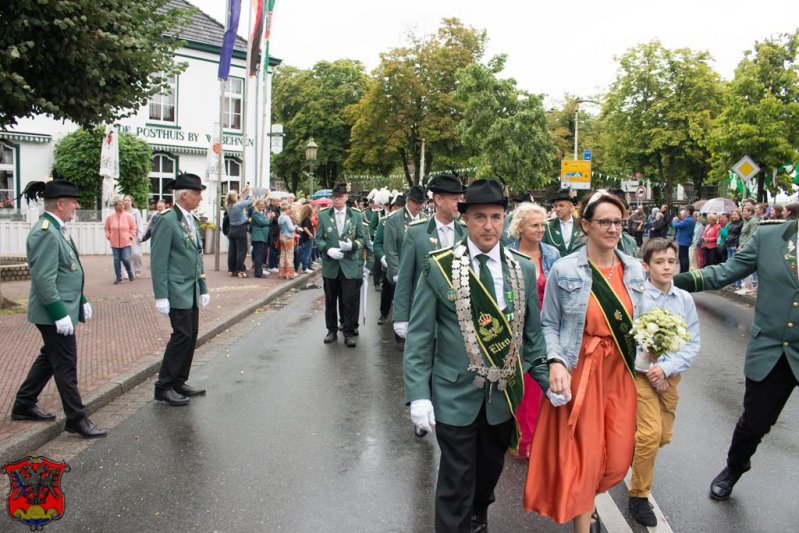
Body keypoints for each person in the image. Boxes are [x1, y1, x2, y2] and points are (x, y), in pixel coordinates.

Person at [403, 179, 549, 533]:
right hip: (454, 393)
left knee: (488, 471)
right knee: (456, 479)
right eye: (480, 216)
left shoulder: (522, 268)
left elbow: (533, 336)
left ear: (504, 219)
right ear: (465, 218)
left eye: (496, 217)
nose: (488, 226)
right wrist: (418, 395)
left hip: (501, 396)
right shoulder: (439, 267)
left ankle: (479, 512)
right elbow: (421, 335)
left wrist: (549, 379)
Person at [524, 190, 646, 533]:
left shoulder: (634, 270)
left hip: (620, 372)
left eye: (618, 222)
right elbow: (548, 323)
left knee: (619, 457)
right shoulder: (565, 269)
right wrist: (556, 363)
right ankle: (584, 520)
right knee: (585, 455)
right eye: (604, 221)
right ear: (586, 225)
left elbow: (645, 320)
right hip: (582, 371)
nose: (612, 228)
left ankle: (588, 502)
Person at [674, 216, 799, 503]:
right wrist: (670, 280)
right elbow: (726, 272)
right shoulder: (771, 237)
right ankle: (734, 468)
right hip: (772, 350)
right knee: (755, 423)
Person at [11, 179, 107, 438]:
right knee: (66, 364)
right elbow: (43, 279)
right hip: (53, 313)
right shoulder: (46, 231)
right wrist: (58, 314)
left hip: (63, 307)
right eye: (73, 202)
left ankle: (23, 403)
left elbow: (67, 271)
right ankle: (76, 418)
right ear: (61, 204)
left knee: (49, 359)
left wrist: (81, 299)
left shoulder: (57, 228)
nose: (77, 206)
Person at [627, 238, 700, 527]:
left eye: (671, 261)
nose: (667, 267)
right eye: (659, 262)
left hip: (669, 377)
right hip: (640, 376)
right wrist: (649, 365)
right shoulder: (638, 297)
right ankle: (639, 494)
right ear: (646, 266)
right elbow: (629, 338)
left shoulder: (684, 299)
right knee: (649, 434)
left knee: (663, 437)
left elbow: (692, 343)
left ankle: (632, 449)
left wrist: (666, 367)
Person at [150, 174, 210, 406]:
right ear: (184, 195)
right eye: (197, 194)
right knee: (181, 335)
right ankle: (163, 386)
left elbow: (197, 257)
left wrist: (203, 287)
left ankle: (178, 380)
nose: (200, 198)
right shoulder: (166, 220)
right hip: (176, 290)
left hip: (191, 288)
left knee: (191, 334)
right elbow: (158, 261)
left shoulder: (191, 220)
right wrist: (161, 296)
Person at [507, 202, 561, 458]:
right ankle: (520, 438)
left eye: (543, 225)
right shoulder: (506, 254)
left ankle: (538, 440)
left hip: (546, 328)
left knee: (541, 385)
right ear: (520, 227)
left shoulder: (553, 254)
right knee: (520, 384)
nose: (540, 229)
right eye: (535, 225)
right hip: (515, 329)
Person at [392, 173, 465, 338]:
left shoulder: (466, 233)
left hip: (458, 323)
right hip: (425, 318)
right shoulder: (416, 233)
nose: (460, 204)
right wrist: (401, 317)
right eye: (455, 199)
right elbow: (405, 278)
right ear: (438, 200)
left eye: (461, 199)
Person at [314, 183, 366, 347]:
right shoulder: (323, 215)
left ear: (345, 197)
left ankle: (349, 332)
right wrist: (327, 250)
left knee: (349, 300)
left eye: (339, 197)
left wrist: (353, 245)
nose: (336, 200)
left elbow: (362, 238)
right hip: (331, 265)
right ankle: (331, 330)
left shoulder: (356, 215)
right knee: (330, 300)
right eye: (334, 197)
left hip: (349, 264)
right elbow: (319, 238)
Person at [383, 184, 426, 349]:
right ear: (408, 201)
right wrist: (396, 271)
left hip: (418, 271)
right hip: (400, 269)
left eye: (421, 203)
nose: (418, 207)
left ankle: (415, 333)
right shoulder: (394, 219)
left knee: (416, 302)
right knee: (400, 301)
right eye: (415, 203)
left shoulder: (424, 218)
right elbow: (391, 249)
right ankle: (399, 336)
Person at [373, 195, 403, 325]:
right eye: (396, 207)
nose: (398, 209)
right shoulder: (384, 221)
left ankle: (401, 317)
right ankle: (384, 314)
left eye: (401, 207)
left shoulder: (410, 222)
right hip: (389, 263)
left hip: (404, 262)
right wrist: (382, 257)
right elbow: (377, 243)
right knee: (387, 290)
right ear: (391, 207)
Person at [104, 195, 136, 284]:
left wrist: (130, 236)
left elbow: (133, 227)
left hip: (126, 242)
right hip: (114, 243)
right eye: (119, 204)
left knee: (126, 259)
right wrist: (108, 236)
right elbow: (106, 228)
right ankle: (118, 277)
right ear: (115, 206)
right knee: (116, 260)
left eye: (122, 204)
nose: (122, 206)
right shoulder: (110, 217)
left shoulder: (129, 216)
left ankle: (129, 271)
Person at [543, 188, 584, 256]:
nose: (557, 209)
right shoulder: (547, 225)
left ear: (571, 207)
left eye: (561, 206)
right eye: (556, 206)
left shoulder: (581, 224)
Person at [225, 185, 254, 278]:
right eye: (236, 195)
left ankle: (232, 270)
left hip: (231, 229)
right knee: (241, 250)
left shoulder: (228, 205)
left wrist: (242, 191)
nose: (238, 195)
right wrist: (250, 191)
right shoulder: (238, 205)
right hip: (240, 229)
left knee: (232, 251)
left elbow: (239, 200)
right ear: (234, 197)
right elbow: (250, 201)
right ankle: (240, 270)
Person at [250, 199, 272, 278]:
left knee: (260, 255)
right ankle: (258, 273)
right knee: (258, 256)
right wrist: (269, 218)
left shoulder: (260, 213)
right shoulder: (256, 213)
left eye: (263, 204)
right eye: (261, 204)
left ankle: (259, 271)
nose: (262, 206)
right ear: (257, 205)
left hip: (262, 237)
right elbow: (263, 223)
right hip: (258, 237)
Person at [124, 194, 145, 277]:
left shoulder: (136, 212)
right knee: (125, 255)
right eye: (125, 200)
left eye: (128, 200)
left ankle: (137, 269)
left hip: (135, 235)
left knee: (136, 253)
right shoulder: (122, 211)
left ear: (131, 202)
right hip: (124, 236)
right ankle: (126, 272)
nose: (126, 201)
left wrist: (140, 236)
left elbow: (139, 224)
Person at [671, 206, 695, 273]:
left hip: (684, 241)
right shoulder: (688, 219)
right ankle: (683, 270)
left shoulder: (688, 220)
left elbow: (676, 225)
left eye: (684, 210)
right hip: (684, 240)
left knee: (683, 257)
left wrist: (674, 220)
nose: (683, 212)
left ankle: (684, 271)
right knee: (682, 257)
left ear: (688, 211)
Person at [277, 201, 297, 279]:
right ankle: (289, 274)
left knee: (282, 254)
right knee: (289, 255)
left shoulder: (280, 217)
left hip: (282, 236)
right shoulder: (286, 217)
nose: (291, 211)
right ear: (287, 209)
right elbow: (290, 229)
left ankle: (281, 273)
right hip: (288, 237)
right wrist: (295, 226)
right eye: (290, 209)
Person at [296, 204, 315, 273]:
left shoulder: (304, 218)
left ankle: (304, 267)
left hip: (304, 238)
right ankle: (305, 267)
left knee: (304, 253)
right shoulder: (307, 218)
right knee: (306, 253)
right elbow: (305, 228)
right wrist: (311, 234)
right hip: (307, 238)